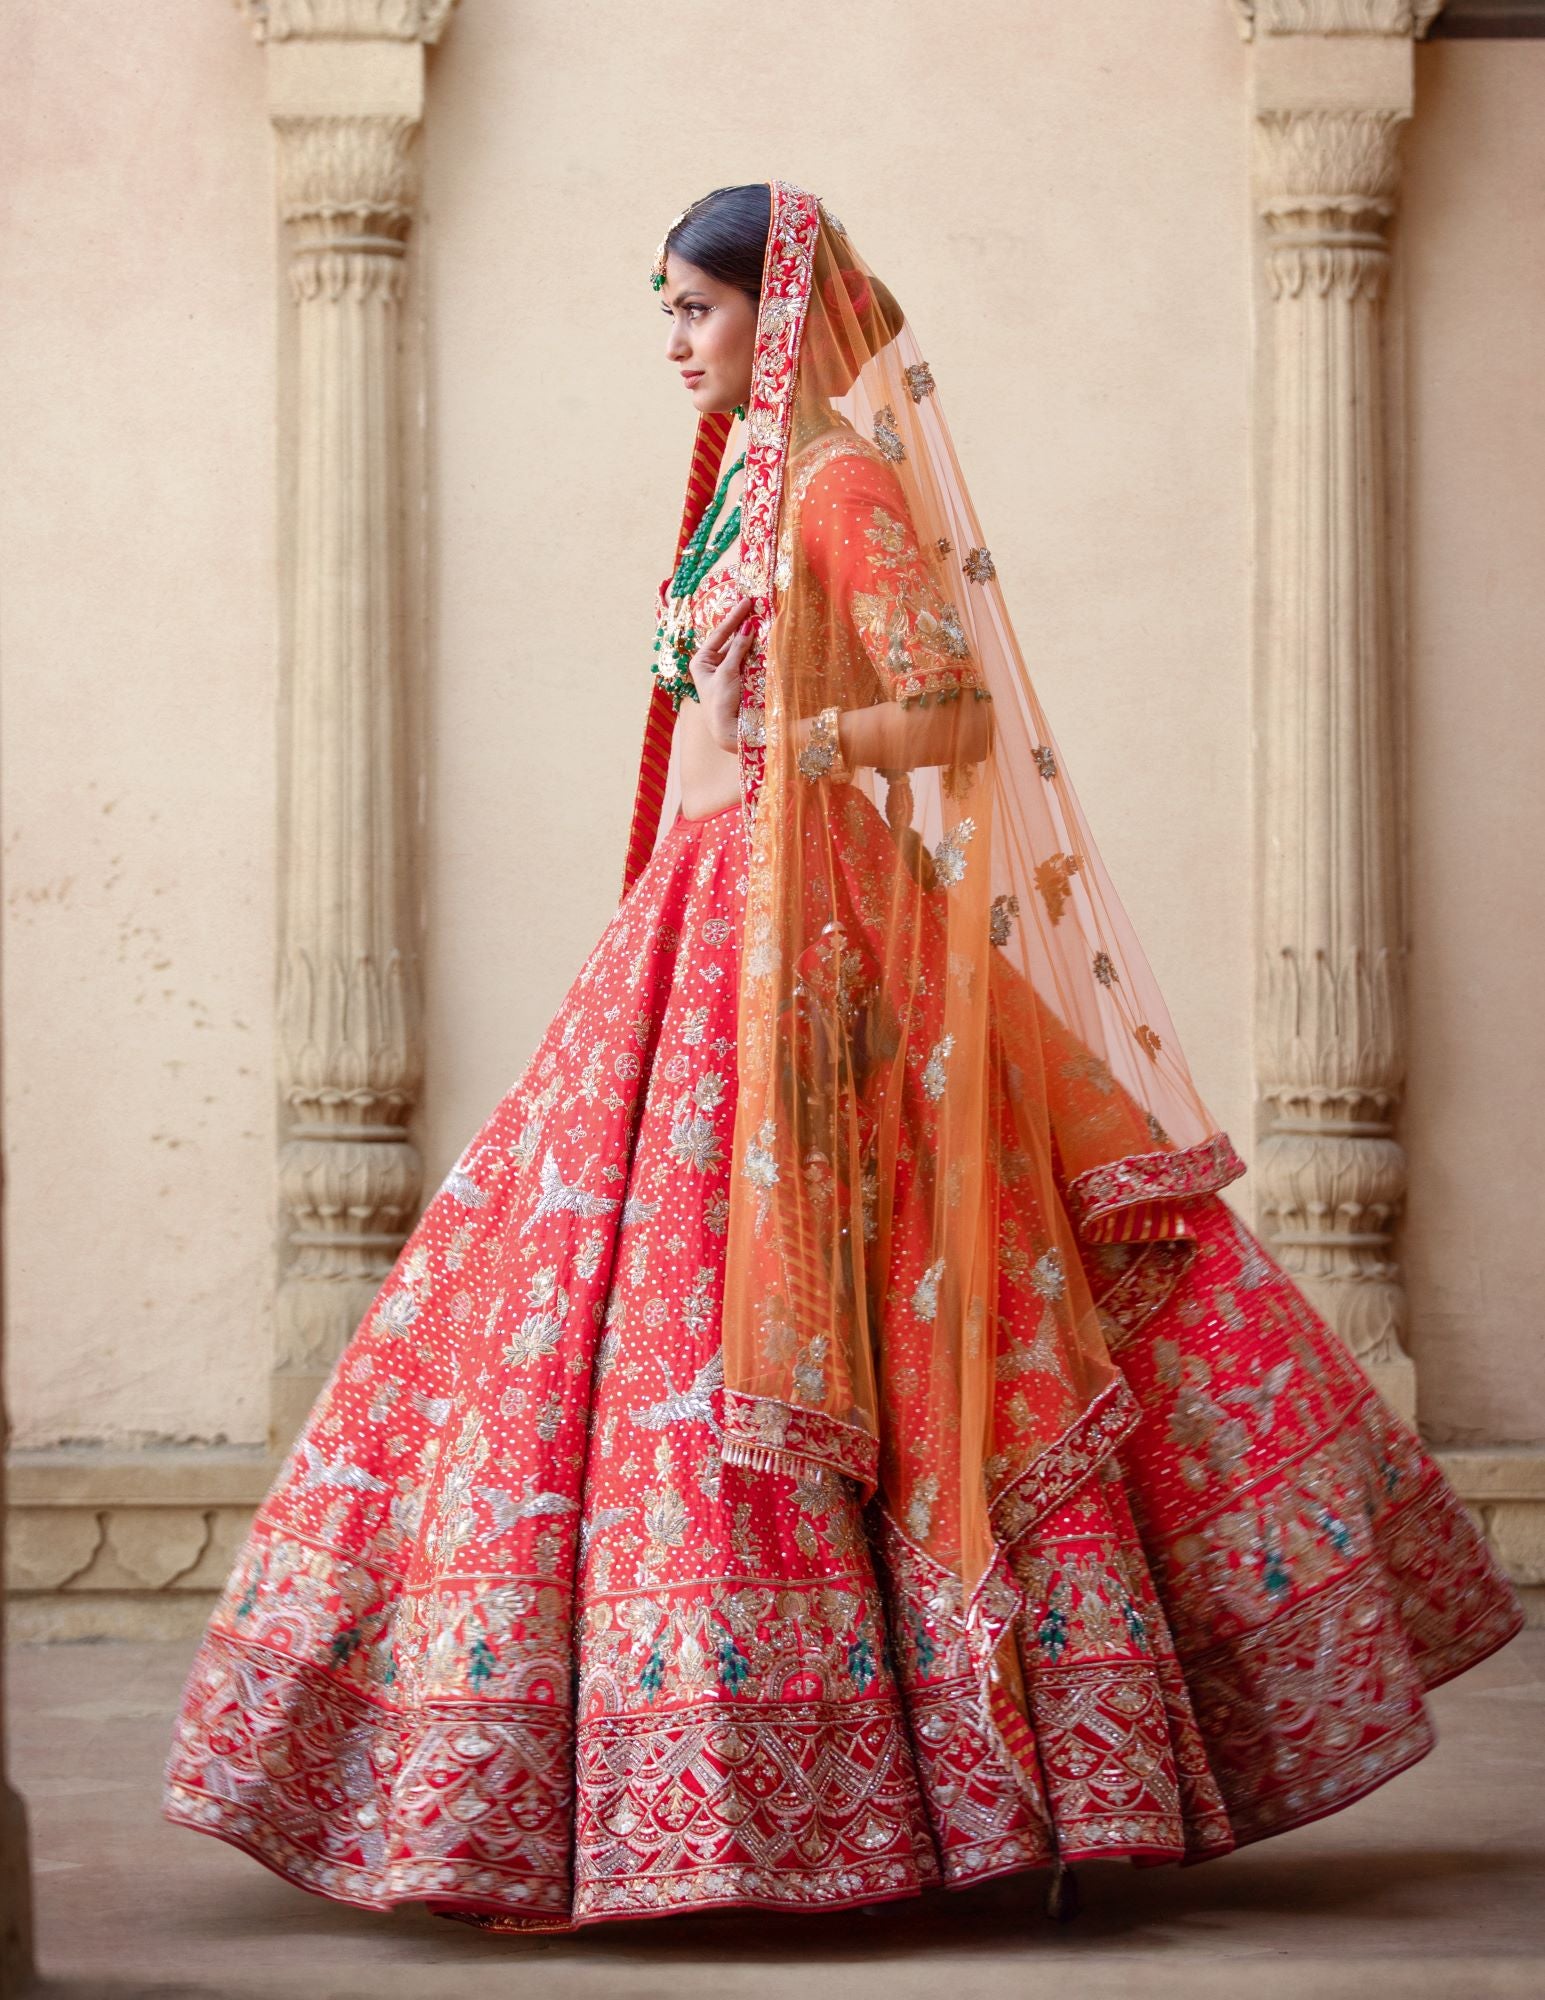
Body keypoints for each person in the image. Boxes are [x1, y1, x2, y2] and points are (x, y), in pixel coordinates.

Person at [162, 180, 1523, 1935]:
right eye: (657, 310)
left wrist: (799, 731)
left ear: (772, 312)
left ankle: (951, 1761)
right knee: (610, 1292)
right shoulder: (737, 478)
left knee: (887, 1295)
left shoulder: (836, 482)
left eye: (693, 311)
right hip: (721, 900)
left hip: (823, 922)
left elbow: (950, 709)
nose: (670, 342)